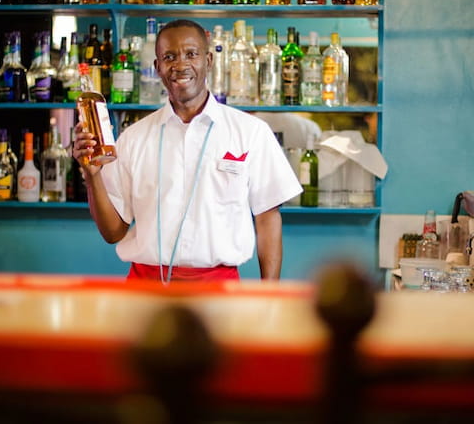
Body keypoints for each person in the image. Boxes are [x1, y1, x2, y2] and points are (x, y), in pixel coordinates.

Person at [72, 19, 302, 282]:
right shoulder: (134, 138)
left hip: (218, 289)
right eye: (169, 57)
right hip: (146, 287)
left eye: (191, 54)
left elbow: (268, 220)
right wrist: (92, 176)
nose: (180, 65)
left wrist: (269, 296)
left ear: (209, 61)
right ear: (157, 67)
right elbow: (113, 232)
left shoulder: (251, 132)